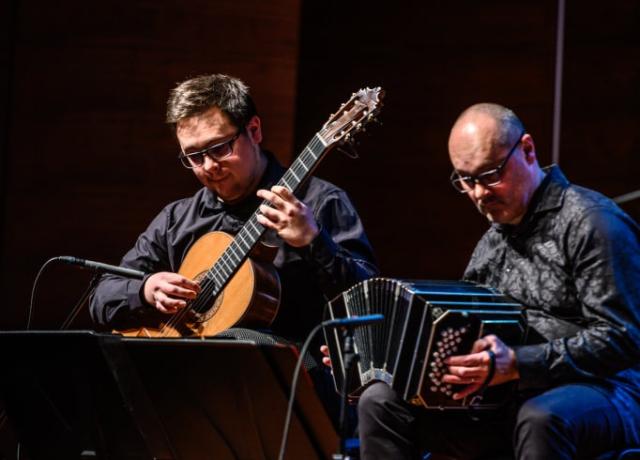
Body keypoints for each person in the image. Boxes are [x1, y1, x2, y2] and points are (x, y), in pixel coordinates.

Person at [353, 103, 640, 459]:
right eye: (465, 179)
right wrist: (370, 356)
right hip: (505, 395)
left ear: (528, 150)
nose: (478, 193)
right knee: (380, 402)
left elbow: (624, 338)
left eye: (490, 175)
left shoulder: (592, 223)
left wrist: (519, 363)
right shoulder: (492, 242)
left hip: (607, 390)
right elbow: (462, 327)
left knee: (541, 418)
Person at [89, 73, 378, 346]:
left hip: (293, 373)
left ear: (254, 130)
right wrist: (146, 289)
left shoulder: (320, 202)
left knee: (239, 339)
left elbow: (371, 301)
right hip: (190, 372)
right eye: (194, 156)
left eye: (219, 148)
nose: (209, 166)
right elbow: (102, 296)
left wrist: (314, 241)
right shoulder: (176, 220)